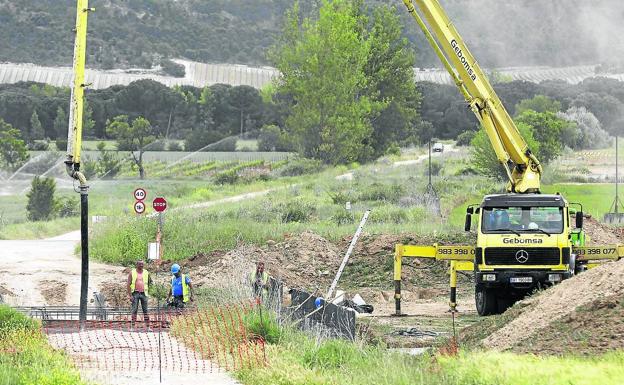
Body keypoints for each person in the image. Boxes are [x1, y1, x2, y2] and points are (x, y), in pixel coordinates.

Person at [127, 260, 152, 330]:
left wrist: (149, 291)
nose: (141, 265)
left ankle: (148, 327)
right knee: (134, 310)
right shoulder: (132, 273)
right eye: (140, 264)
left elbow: (150, 282)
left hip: (144, 294)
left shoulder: (146, 272)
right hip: (135, 293)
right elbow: (128, 284)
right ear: (136, 265)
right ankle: (132, 327)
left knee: (146, 311)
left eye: (142, 264)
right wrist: (130, 295)